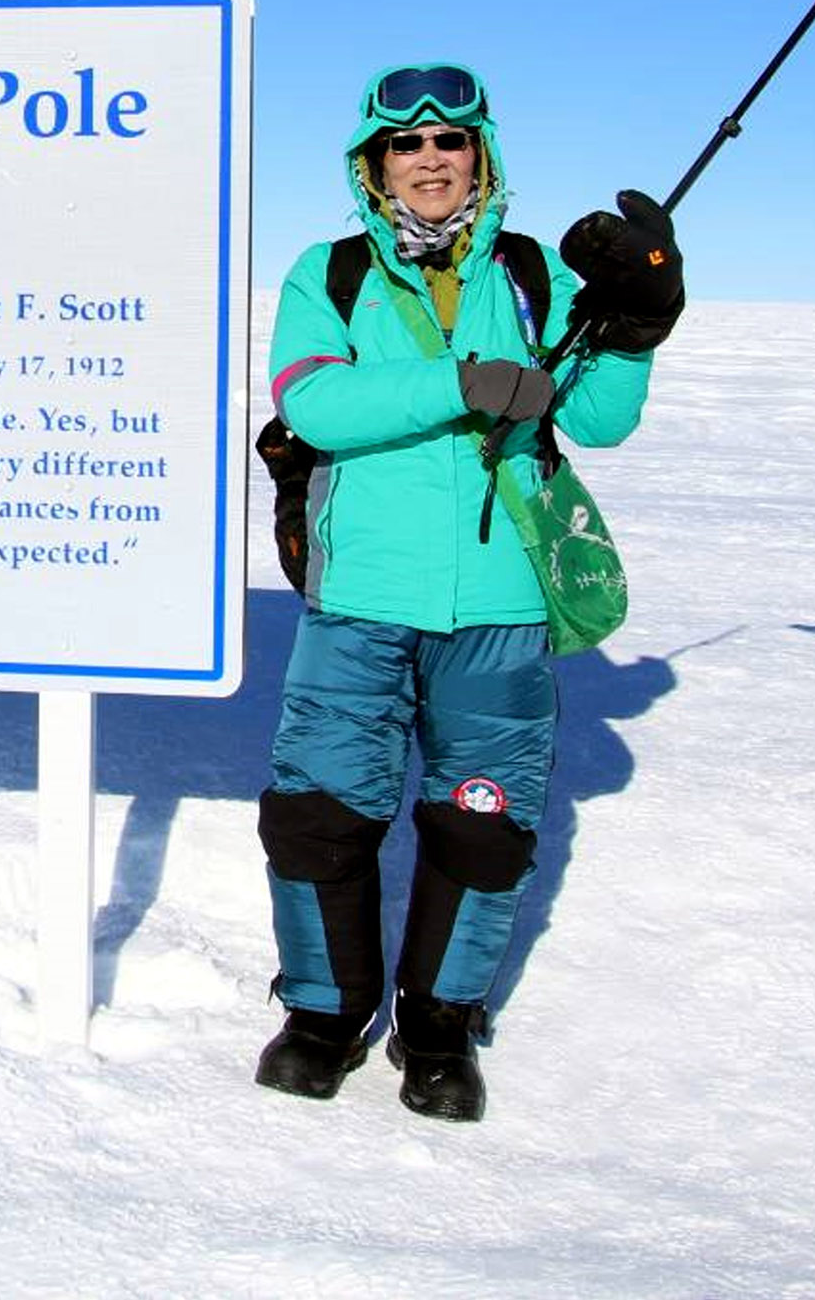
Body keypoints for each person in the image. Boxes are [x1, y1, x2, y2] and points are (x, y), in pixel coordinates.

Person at [252, 61, 682, 1120]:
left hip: (500, 603)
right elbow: (317, 406)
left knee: (481, 824)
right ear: (373, 164)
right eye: (407, 144)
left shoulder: (533, 275)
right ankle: (322, 1013)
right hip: (360, 596)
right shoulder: (334, 272)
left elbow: (598, 419)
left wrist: (633, 327)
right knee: (319, 814)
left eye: (450, 141)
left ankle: (441, 1028)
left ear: (481, 155)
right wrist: (460, 382)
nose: (430, 160)